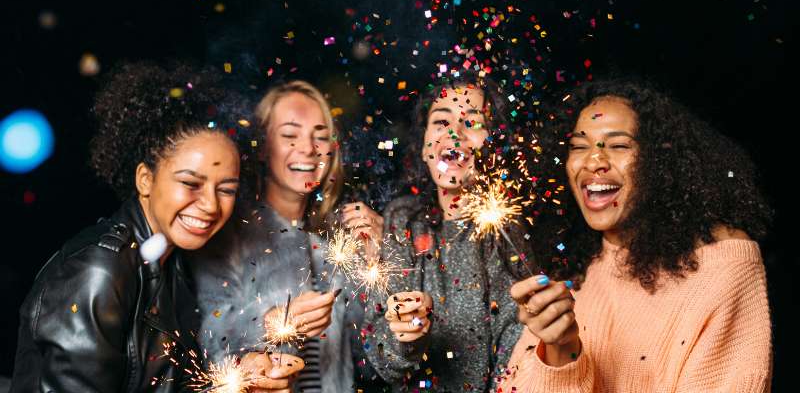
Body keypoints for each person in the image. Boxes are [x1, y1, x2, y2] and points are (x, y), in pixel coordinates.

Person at [10, 63, 301, 392]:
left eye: (226, 190)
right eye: (191, 183)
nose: (211, 205)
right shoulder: (98, 273)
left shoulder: (174, 262)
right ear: (145, 179)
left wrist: (241, 379)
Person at [499, 78, 773, 392]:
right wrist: (561, 351)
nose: (593, 161)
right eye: (578, 146)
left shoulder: (723, 266)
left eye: (618, 145)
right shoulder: (568, 275)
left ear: (660, 162)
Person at [190, 80, 383, 393]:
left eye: (320, 136)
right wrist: (273, 324)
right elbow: (211, 347)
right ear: (263, 146)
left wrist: (374, 263)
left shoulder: (338, 240)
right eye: (290, 135)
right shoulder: (227, 231)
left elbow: (371, 363)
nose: (308, 148)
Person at [364, 73, 529, 391]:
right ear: (424, 144)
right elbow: (379, 350)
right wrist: (407, 340)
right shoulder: (403, 218)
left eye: (472, 123)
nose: (454, 135)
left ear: (493, 143)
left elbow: (517, 348)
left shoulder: (506, 228)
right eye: (441, 122)